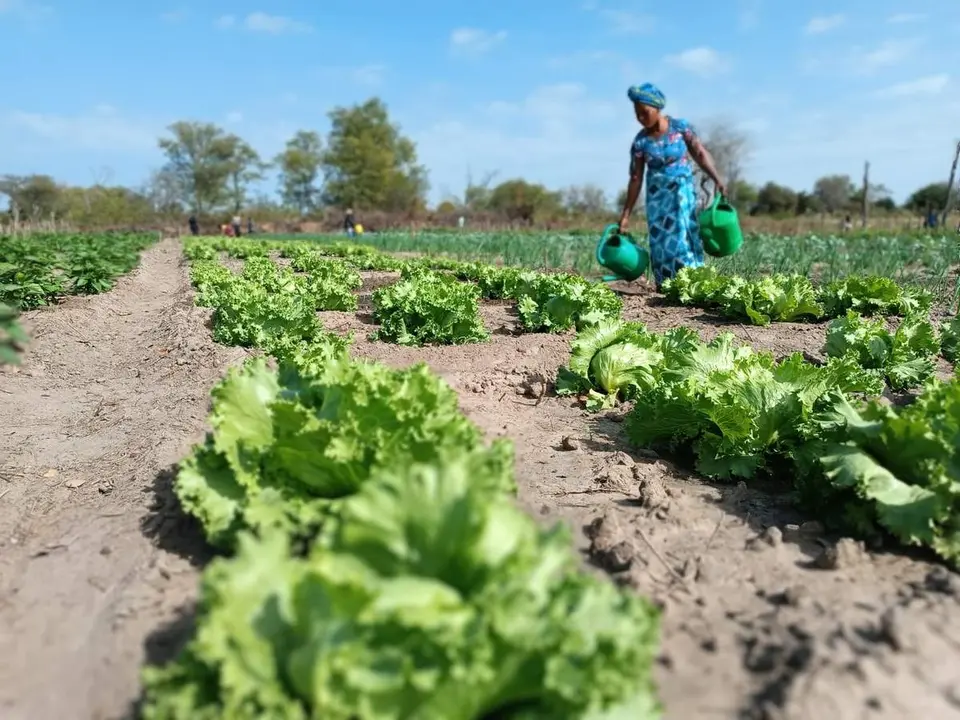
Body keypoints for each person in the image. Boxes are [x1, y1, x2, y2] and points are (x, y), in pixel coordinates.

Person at [617, 83, 725, 289]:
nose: (641, 118)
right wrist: (625, 215)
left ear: (657, 108)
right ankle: (667, 286)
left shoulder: (680, 127)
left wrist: (717, 179)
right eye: (637, 114)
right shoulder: (640, 142)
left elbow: (700, 153)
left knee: (684, 235)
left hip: (682, 193)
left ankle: (694, 283)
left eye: (644, 112)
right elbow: (635, 179)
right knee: (660, 243)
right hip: (657, 200)